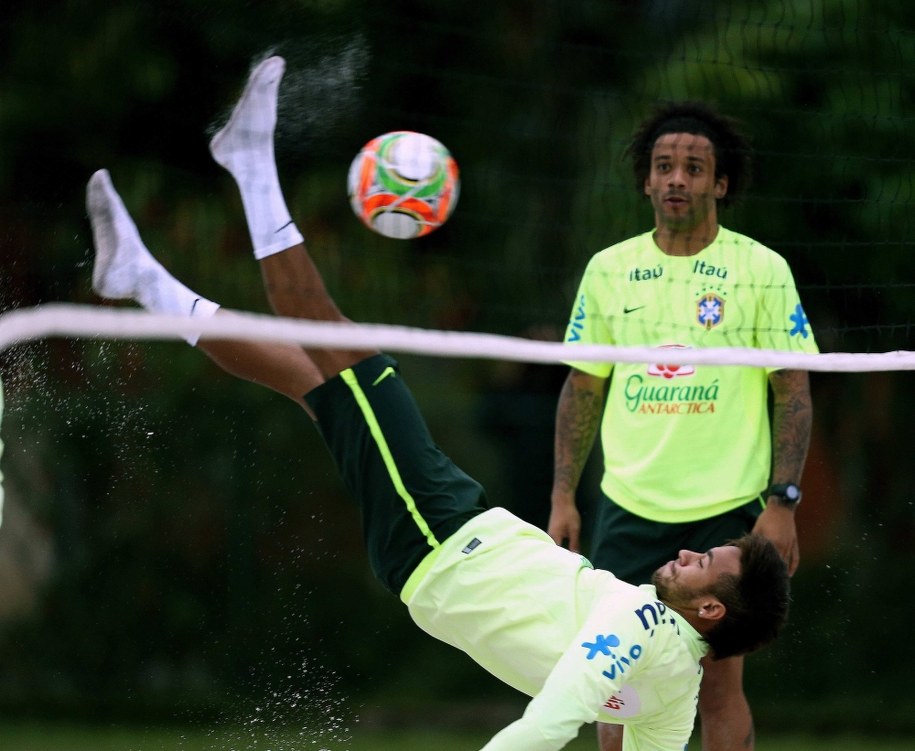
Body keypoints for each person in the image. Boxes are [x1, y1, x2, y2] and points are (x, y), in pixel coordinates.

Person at [85, 58, 791, 751]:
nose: (689, 549)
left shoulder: (642, 625)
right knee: (316, 382)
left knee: (338, 344)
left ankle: (250, 166)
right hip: (463, 531)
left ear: (708, 608)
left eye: (705, 561)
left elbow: (544, 724)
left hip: (441, 542)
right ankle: (140, 277)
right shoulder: (670, 686)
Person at [548, 102, 816, 751]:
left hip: (726, 507)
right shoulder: (608, 269)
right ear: (645, 180)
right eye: (663, 166)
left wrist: (781, 502)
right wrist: (562, 495)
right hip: (628, 507)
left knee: (717, 685)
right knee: (620, 681)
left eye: (692, 168)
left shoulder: (761, 270)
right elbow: (582, 386)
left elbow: (794, 392)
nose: (676, 179)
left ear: (718, 183)